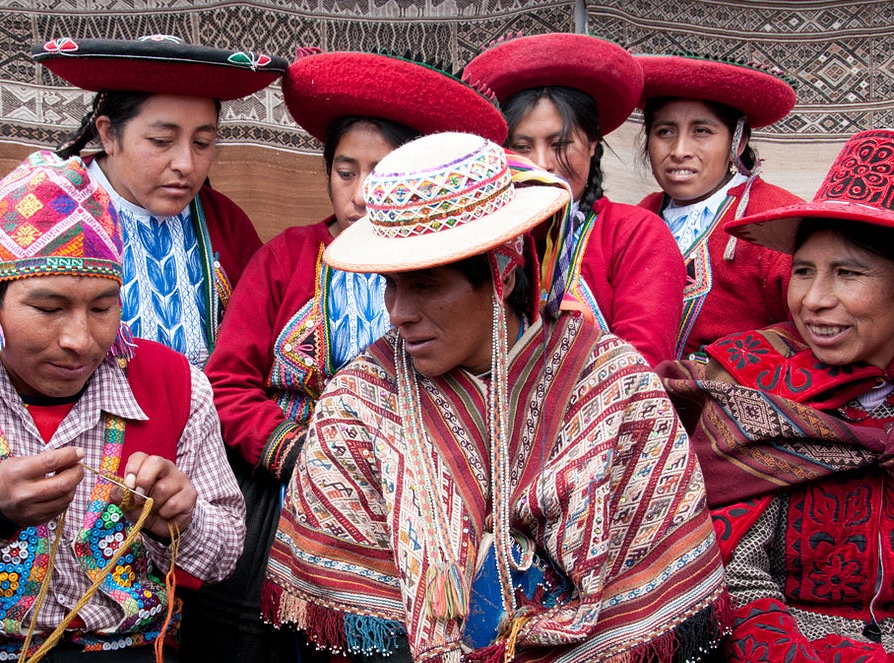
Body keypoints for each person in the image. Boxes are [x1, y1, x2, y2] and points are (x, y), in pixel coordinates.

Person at [263, 132, 729, 662]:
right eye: (391, 285)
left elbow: (650, 597)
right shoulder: (361, 402)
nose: (398, 312)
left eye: (427, 285)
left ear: (501, 275)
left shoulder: (613, 390)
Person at [189, 49, 509, 662]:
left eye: (383, 172)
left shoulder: (469, 271)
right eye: (345, 171)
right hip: (286, 499)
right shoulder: (285, 258)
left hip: (435, 503)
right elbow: (226, 383)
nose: (363, 194)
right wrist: (299, 451)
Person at [0, 151, 244, 661]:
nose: (79, 340)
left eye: (102, 308)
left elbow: (224, 558)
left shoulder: (178, 385)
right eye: (47, 309)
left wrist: (179, 520)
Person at [658, 128, 894, 661]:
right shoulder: (747, 380)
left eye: (848, 274)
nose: (813, 300)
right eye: (804, 272)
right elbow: (734, 575)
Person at [32, 35, 287, 367]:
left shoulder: (224, 221)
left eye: (202, 142)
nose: (186, 164)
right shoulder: (50, 211)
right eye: (162, 140)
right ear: (108, 134)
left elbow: (257, 344)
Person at [463, 33, 685, 366]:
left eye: (560, 144)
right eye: (522, 147)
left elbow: (643, 366)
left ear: (594, 142)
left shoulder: (634, 234)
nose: (542, 164)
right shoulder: (481, 235)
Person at [635, 53, 802, 359]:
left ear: (737, 141)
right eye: (665, 131)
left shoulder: (776, 219)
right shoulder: (641, 216)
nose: (680, 150)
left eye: (702, 131)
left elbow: (808, 333)